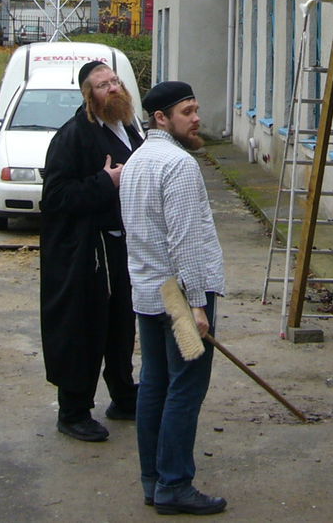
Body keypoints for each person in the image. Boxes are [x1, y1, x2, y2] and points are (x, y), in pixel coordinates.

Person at [120, 81, 227, 516]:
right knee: (184, 389)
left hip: (151, 292)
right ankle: (174, 484)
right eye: (187, 111)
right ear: (161, 118)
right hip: (181, 299)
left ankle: (154, 480)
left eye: (196, 109)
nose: (196, 118)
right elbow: (184, 242)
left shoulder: (136, 161)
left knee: (155, 386)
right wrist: (198, 306)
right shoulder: (178, 165)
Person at [39, 60, 143, 441]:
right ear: (88, 95)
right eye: (102, 85)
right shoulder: (73, 136)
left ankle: (123, 395)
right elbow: (54, 197)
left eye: (114, 81)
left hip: (120, 248)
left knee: (120, 323)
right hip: (83, 254)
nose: (112, 88)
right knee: (82, 328)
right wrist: (105, 181)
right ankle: (73, 410)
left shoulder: (129, 126)